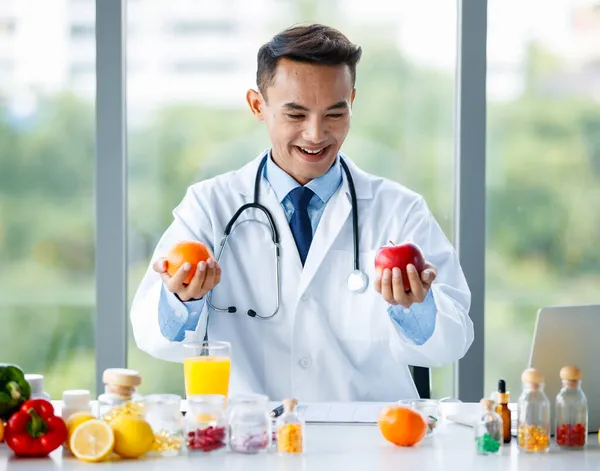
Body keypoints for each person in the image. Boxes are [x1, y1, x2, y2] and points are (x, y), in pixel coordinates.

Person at [130, 24, 473, 402]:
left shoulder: (400, 210)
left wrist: (415, 308)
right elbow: (153, 337)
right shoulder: (211, 206)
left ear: (352, 102)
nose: (315, 134)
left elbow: (452, 343)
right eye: (296, 114)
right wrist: (182, 300)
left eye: (334, 114)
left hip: (368, 442)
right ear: (257, 105)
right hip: (254, 440)